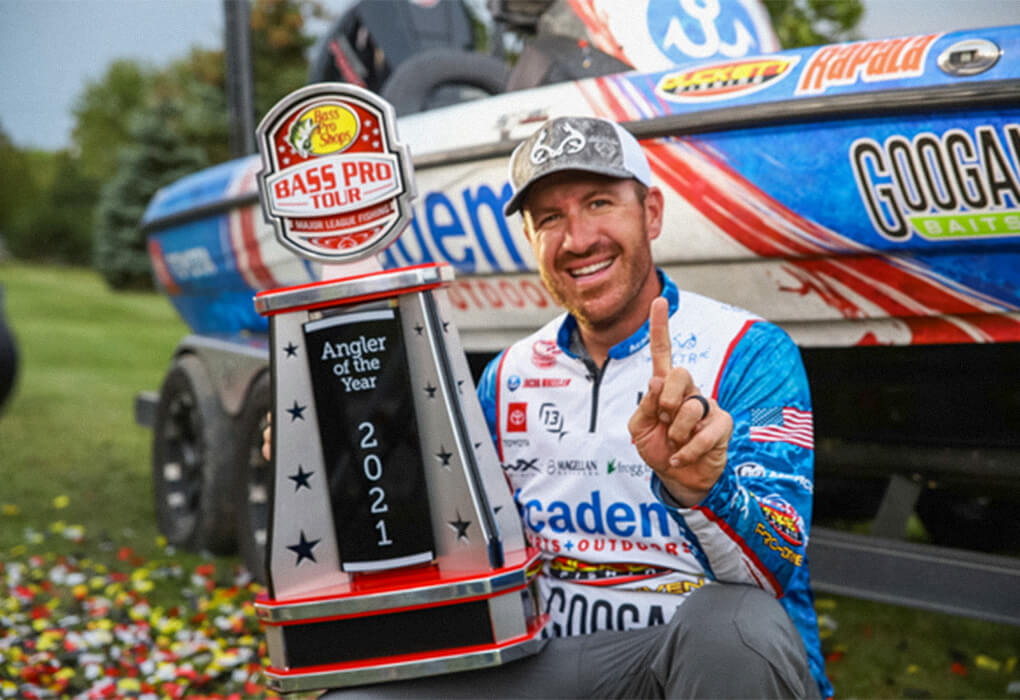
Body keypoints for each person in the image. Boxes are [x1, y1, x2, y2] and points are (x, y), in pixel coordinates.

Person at [284, 116, 832, 698]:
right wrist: (329, 457)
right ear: (530, 240)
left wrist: (702, 491)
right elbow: (458, 547)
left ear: (652, 213)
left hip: (683, 661)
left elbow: (770, 574)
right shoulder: (508, 375)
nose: (576, 239)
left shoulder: (748, 351)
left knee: (736, 627)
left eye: (599, 202)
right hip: (549, 662)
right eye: (549, 218)